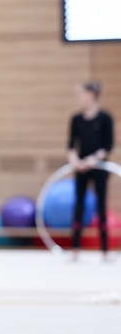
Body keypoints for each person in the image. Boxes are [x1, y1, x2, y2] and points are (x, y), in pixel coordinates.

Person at [68, 80, 114, 261]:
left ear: (91, 95)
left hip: (99, 167)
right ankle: (75, 249)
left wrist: (93, 160)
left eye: (80, 95)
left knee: (101, 206)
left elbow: (108, 145)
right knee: (78, 206)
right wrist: (74, 161)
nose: (78, 99)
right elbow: (71, 145)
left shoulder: (105, 118)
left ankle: (105, 250)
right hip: (81, 168)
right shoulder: (76, 119)